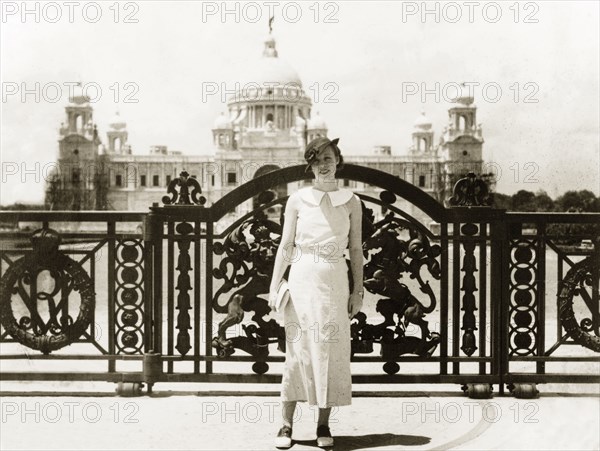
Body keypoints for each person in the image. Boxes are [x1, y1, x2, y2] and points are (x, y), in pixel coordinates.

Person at [268, 137, 364, 448]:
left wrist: (357, 291)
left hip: (335, 281)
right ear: (310, 165)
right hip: (301, 279)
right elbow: (286, 246)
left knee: (329, 353)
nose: (324, 165)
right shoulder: (297, 200)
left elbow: (355, 249)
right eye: (317, 159)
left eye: (329, 158)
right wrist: (274, 285)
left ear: (338, 161)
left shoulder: (351, 202)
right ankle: (285, 426)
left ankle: (323, 425)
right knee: (297, 353)